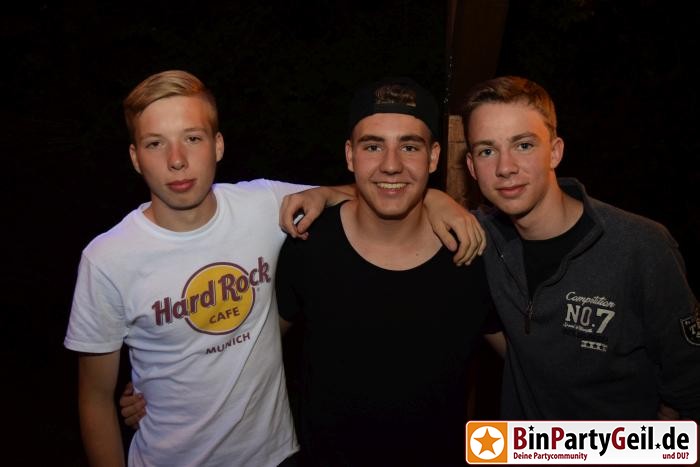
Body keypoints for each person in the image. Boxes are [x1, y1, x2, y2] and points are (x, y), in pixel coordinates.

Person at [65, 70, 485, 466]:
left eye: (192, 138)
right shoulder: (108, 259)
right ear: (135, 157)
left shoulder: (264, 205)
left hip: (275, 456)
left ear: (218, 146)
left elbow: (374, 187)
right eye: (156, 143)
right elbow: (94, 400)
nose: (177, 159)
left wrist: (436, 199)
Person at [275, 77, 493, 466]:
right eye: (373, 146)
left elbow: (534, 363)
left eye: (409, 147)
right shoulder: (307, 245)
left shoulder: (470, 254)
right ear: (350, 156)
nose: (391, 165)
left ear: (433, 157)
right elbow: (254, 351)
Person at [460, 75, 700, 421]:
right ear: (471, 167)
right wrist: (436, 201)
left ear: (555, 151)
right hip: (526, 445)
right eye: (487, 151)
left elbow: (689, 379)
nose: (505, 167)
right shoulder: (482, 238)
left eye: (523, 145)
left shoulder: (640, 246)